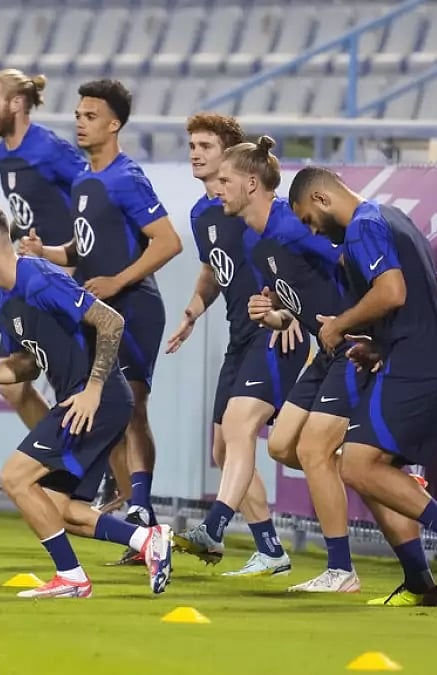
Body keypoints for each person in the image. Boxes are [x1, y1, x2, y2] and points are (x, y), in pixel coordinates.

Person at [0, 203, 172, 599]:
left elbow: (110, 321)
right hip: (81, 401)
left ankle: (72, 577)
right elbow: (26, 365)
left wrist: (93, 390)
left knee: (14, 477)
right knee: (61, 507)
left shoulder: (39, 278)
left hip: (97, 399)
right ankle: (147, 542)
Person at [288, 165, 437, 607]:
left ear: (320, 199)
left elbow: (392, 292)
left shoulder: (363, 227)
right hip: (420, 360)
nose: (313, 231)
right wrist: (379, 346)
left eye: (306, 219)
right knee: (371, 470)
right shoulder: (394, 217)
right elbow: (436, 295)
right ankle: (419, 582)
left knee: (357, 467)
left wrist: (340, 325)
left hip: (416, 367)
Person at [21, 79, 182, 548]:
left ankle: (143, 510)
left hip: (133, 307)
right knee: (110, 417)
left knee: (130, 410)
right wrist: (46, 251)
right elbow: (82, 247)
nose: (80, 122)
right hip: (98, 309)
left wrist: (119, 281)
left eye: (90, 117)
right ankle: (135, 523)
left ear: (114, 125)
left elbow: (168, 242)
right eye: (77, 115)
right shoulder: (84, 178)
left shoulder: (127, 178)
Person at [214, 136, 365, 590]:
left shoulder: (295, 227)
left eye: (225, 180)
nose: (216, 188)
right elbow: (288, 303)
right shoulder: (255, 241)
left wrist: (358, 319)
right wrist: (275, 315)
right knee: (281, 447)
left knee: (311, 450)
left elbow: (349, 260)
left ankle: (341, 568)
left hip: (353, 346)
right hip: (325, 350)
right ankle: (371, 473)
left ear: (252, 183)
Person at [161, 115, 305, 576]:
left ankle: (215, 527)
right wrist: (190, 313)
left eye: (206, 145)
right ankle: (270, 549)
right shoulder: (205, 214)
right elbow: (212, 269)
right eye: (191, 145)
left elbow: (292, 262)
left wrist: (289, 310)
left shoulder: (259, 213)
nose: (195, 153)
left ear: (232, 158)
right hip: (239, 335)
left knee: (243, 429)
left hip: (275, 330)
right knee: (225, 450)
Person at [0, 70, 99, 491]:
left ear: (16, 104)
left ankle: (113, 488)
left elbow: (91, 193)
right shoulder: (2, 156)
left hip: (59, 280)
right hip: (27, 277)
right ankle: (62, 466)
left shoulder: (48, 149)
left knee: (92, 389)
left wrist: (72, 257)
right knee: (14, 388)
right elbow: (27, 211)